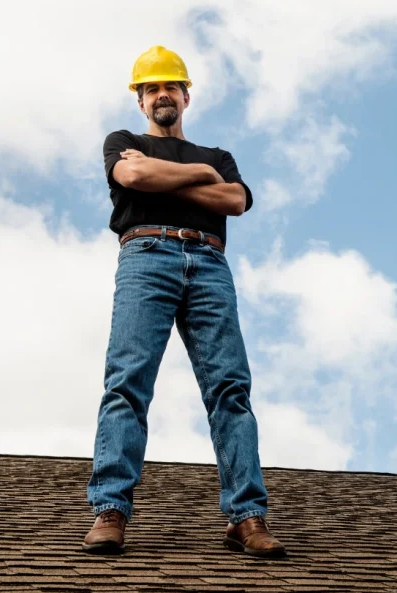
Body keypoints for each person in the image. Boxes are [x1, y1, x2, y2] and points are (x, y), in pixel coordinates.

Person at [83, 45, 286, 559]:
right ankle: (110, 511)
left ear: (186, 95)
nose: (161, 94)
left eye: (169, 86)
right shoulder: (124, 143)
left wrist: (169, 175)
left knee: (230, 390)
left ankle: (247, 518)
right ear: (141, 101)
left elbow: (235, 200)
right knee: (127, 383)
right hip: (146, 253)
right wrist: (200, 178)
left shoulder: (217, 155)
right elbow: (131, 177)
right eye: (151, 88)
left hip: (209, 262)